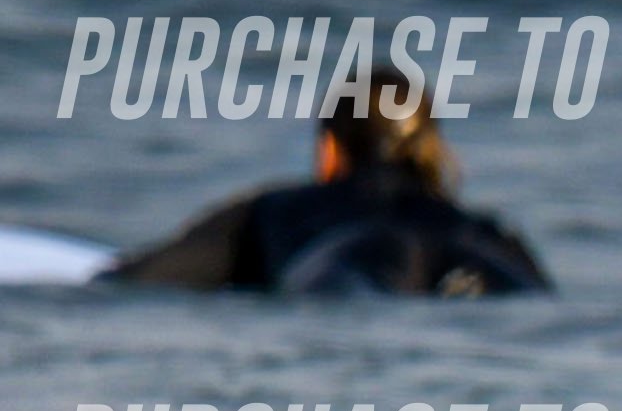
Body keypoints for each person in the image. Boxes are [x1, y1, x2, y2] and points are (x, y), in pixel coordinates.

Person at [106, 91, 550, 297]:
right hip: (481, 263)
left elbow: (147, 278)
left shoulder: (275, 209)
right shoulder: (492, 233)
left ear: (330, 149)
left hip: (347, 261)